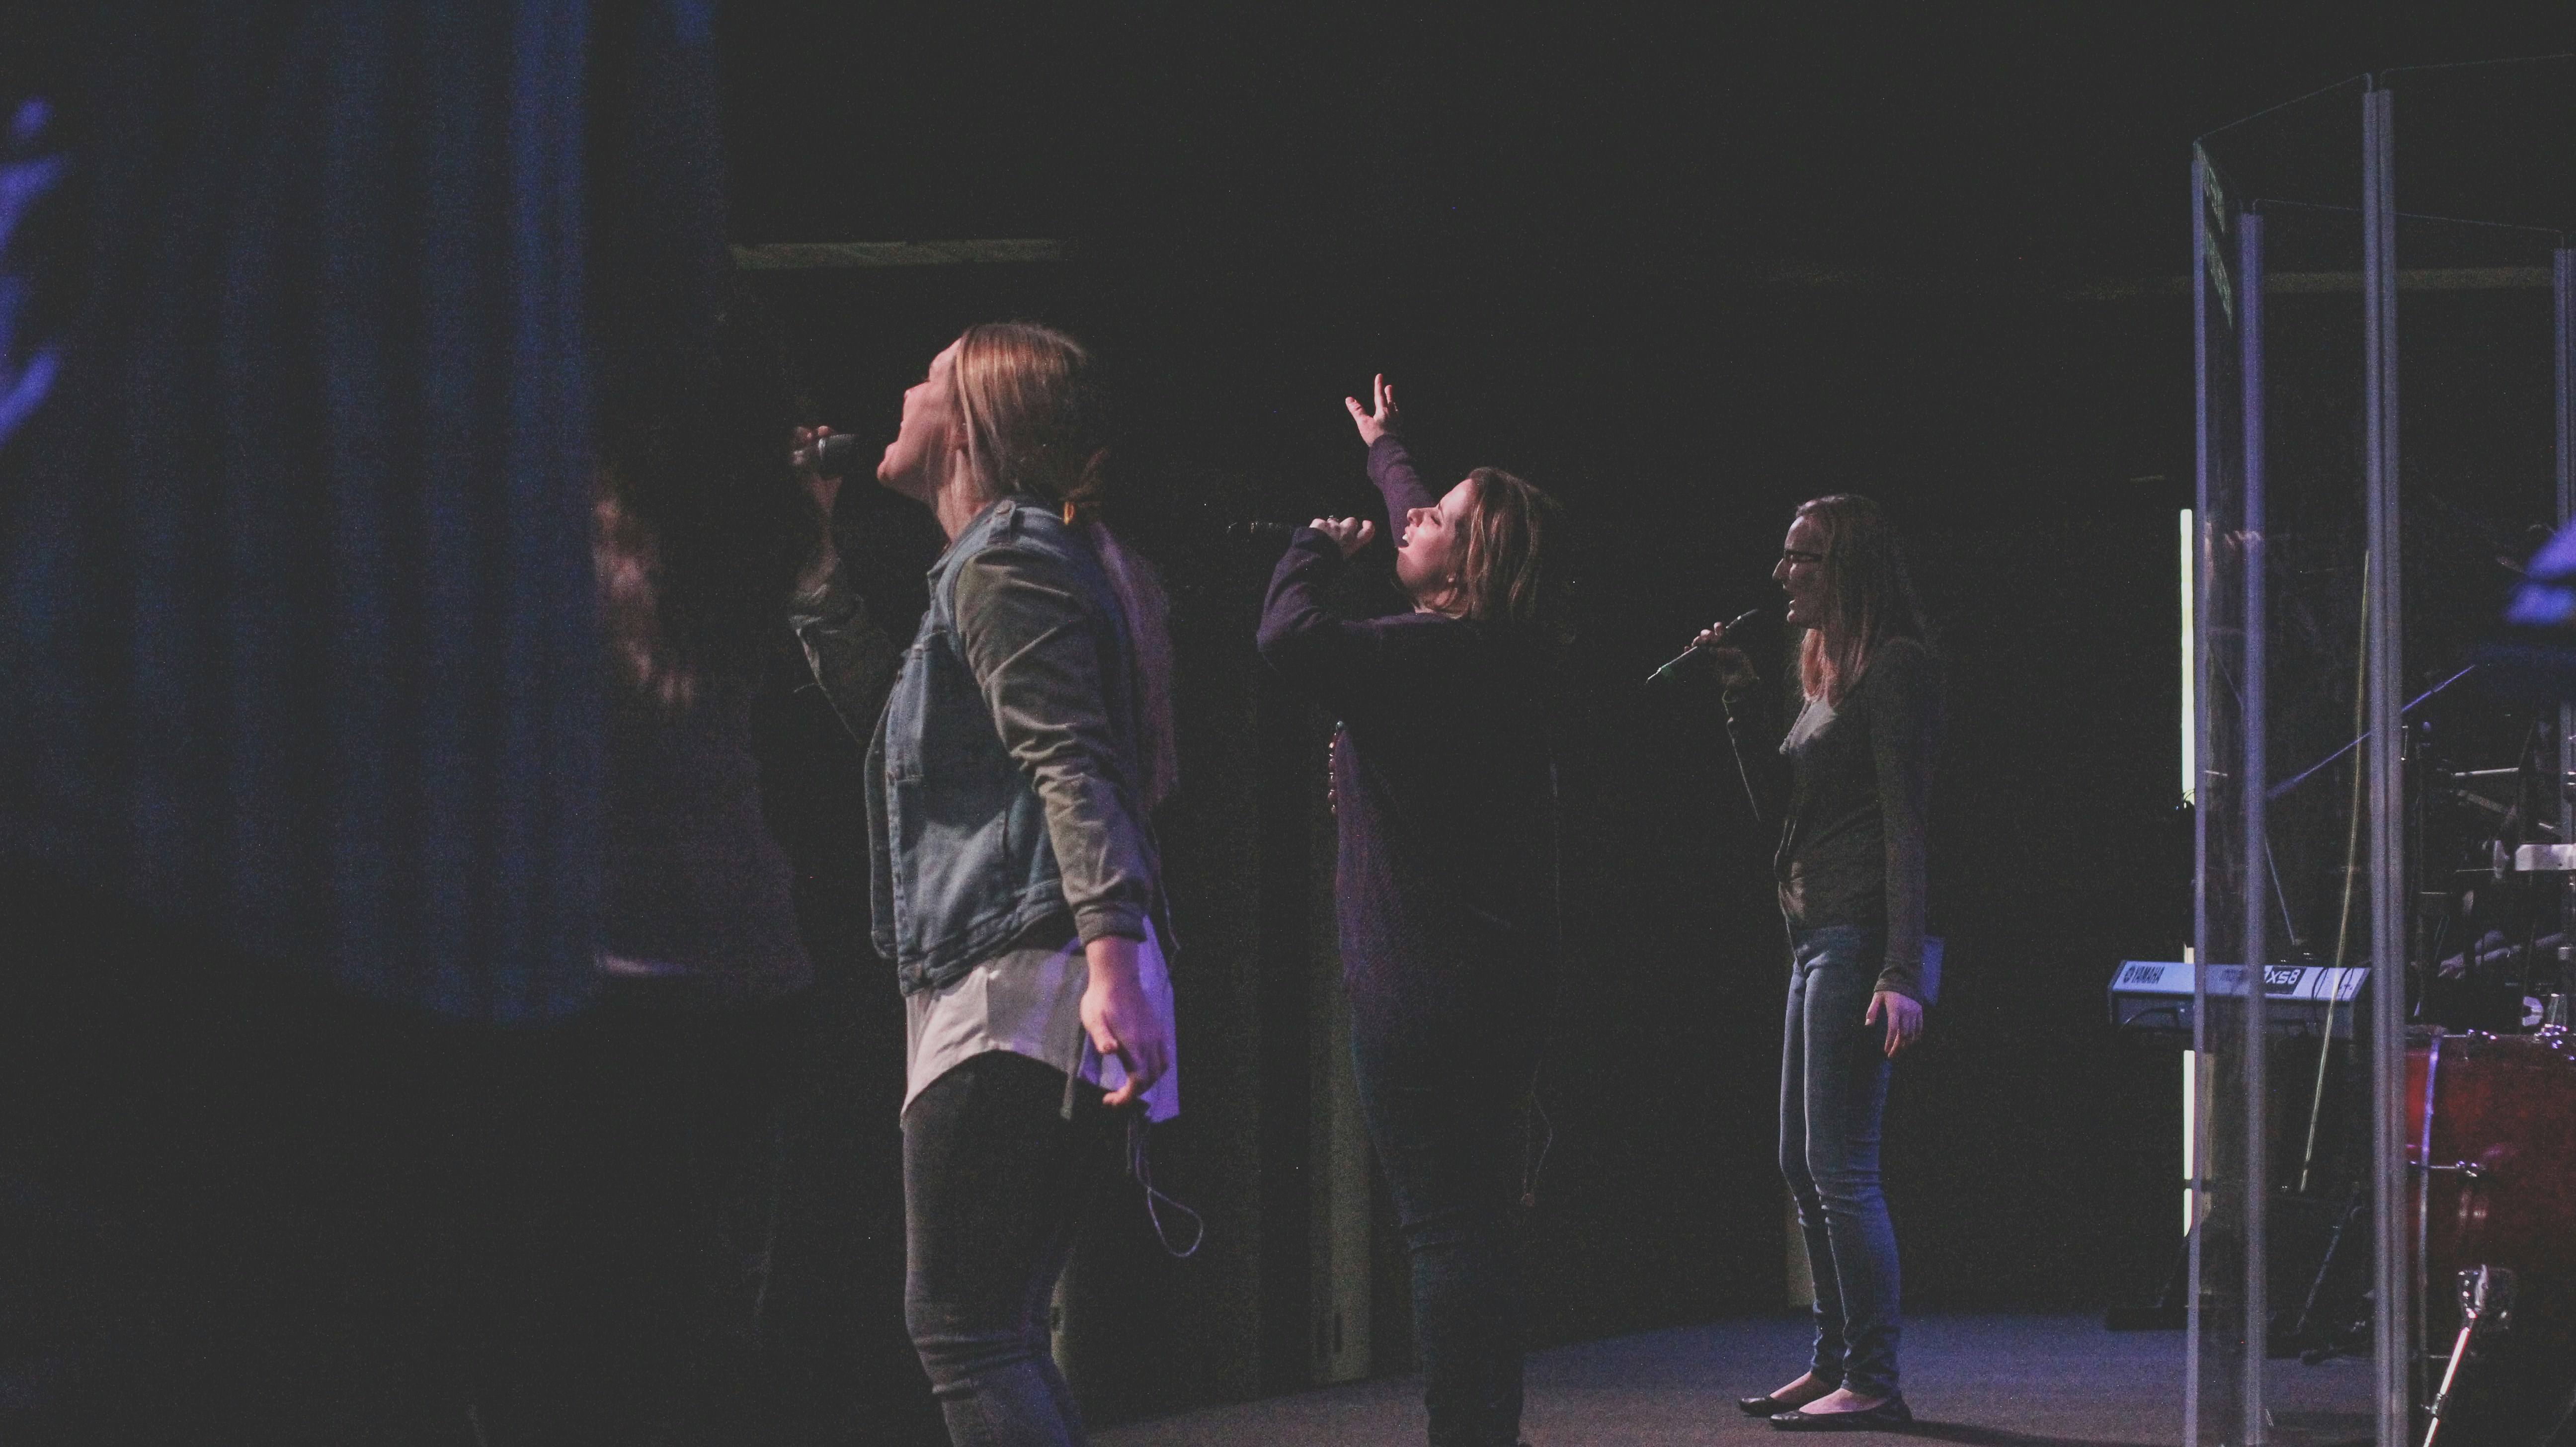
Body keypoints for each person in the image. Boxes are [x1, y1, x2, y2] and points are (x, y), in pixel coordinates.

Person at [791, 322, 1179, 1447]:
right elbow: (901, 737)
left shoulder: (1007, 558)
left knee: (962, 1329)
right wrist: (814, 557)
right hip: (1038, 966)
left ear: (966, 424)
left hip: (1029, 974)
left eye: (926, 378)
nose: (900, 392)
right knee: (991, 1328)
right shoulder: (994, 563)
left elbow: (1073, 759)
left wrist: (1111, 955)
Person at [1257, 375, 1568, 1447]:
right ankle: (1491, 1431)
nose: (1419, 513)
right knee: (1480, 1229)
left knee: (1445, 1236)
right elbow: (1422, 525)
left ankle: (1464, 1437)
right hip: (1494, 983)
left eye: (1447, 517)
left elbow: (1288, 639)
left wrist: (1312, 549)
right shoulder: (1495, 648)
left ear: (1471, 564)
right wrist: (1389, 454)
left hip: (1422, 991)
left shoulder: (1425, 655)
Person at [1702, 495, 1940, 1432]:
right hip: (1809, 935)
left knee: (1842, 1166)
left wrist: (1902, 971)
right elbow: (1783, 807)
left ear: (1842, 567)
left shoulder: (1899, 669)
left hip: (1856, 935)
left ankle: (1874, 1378)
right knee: (1801, 1163)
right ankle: (1832, 1363)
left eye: (1799, 558)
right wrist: (1737, 695)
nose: (1781, 574)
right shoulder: (1823, 671)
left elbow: (1906, 825)